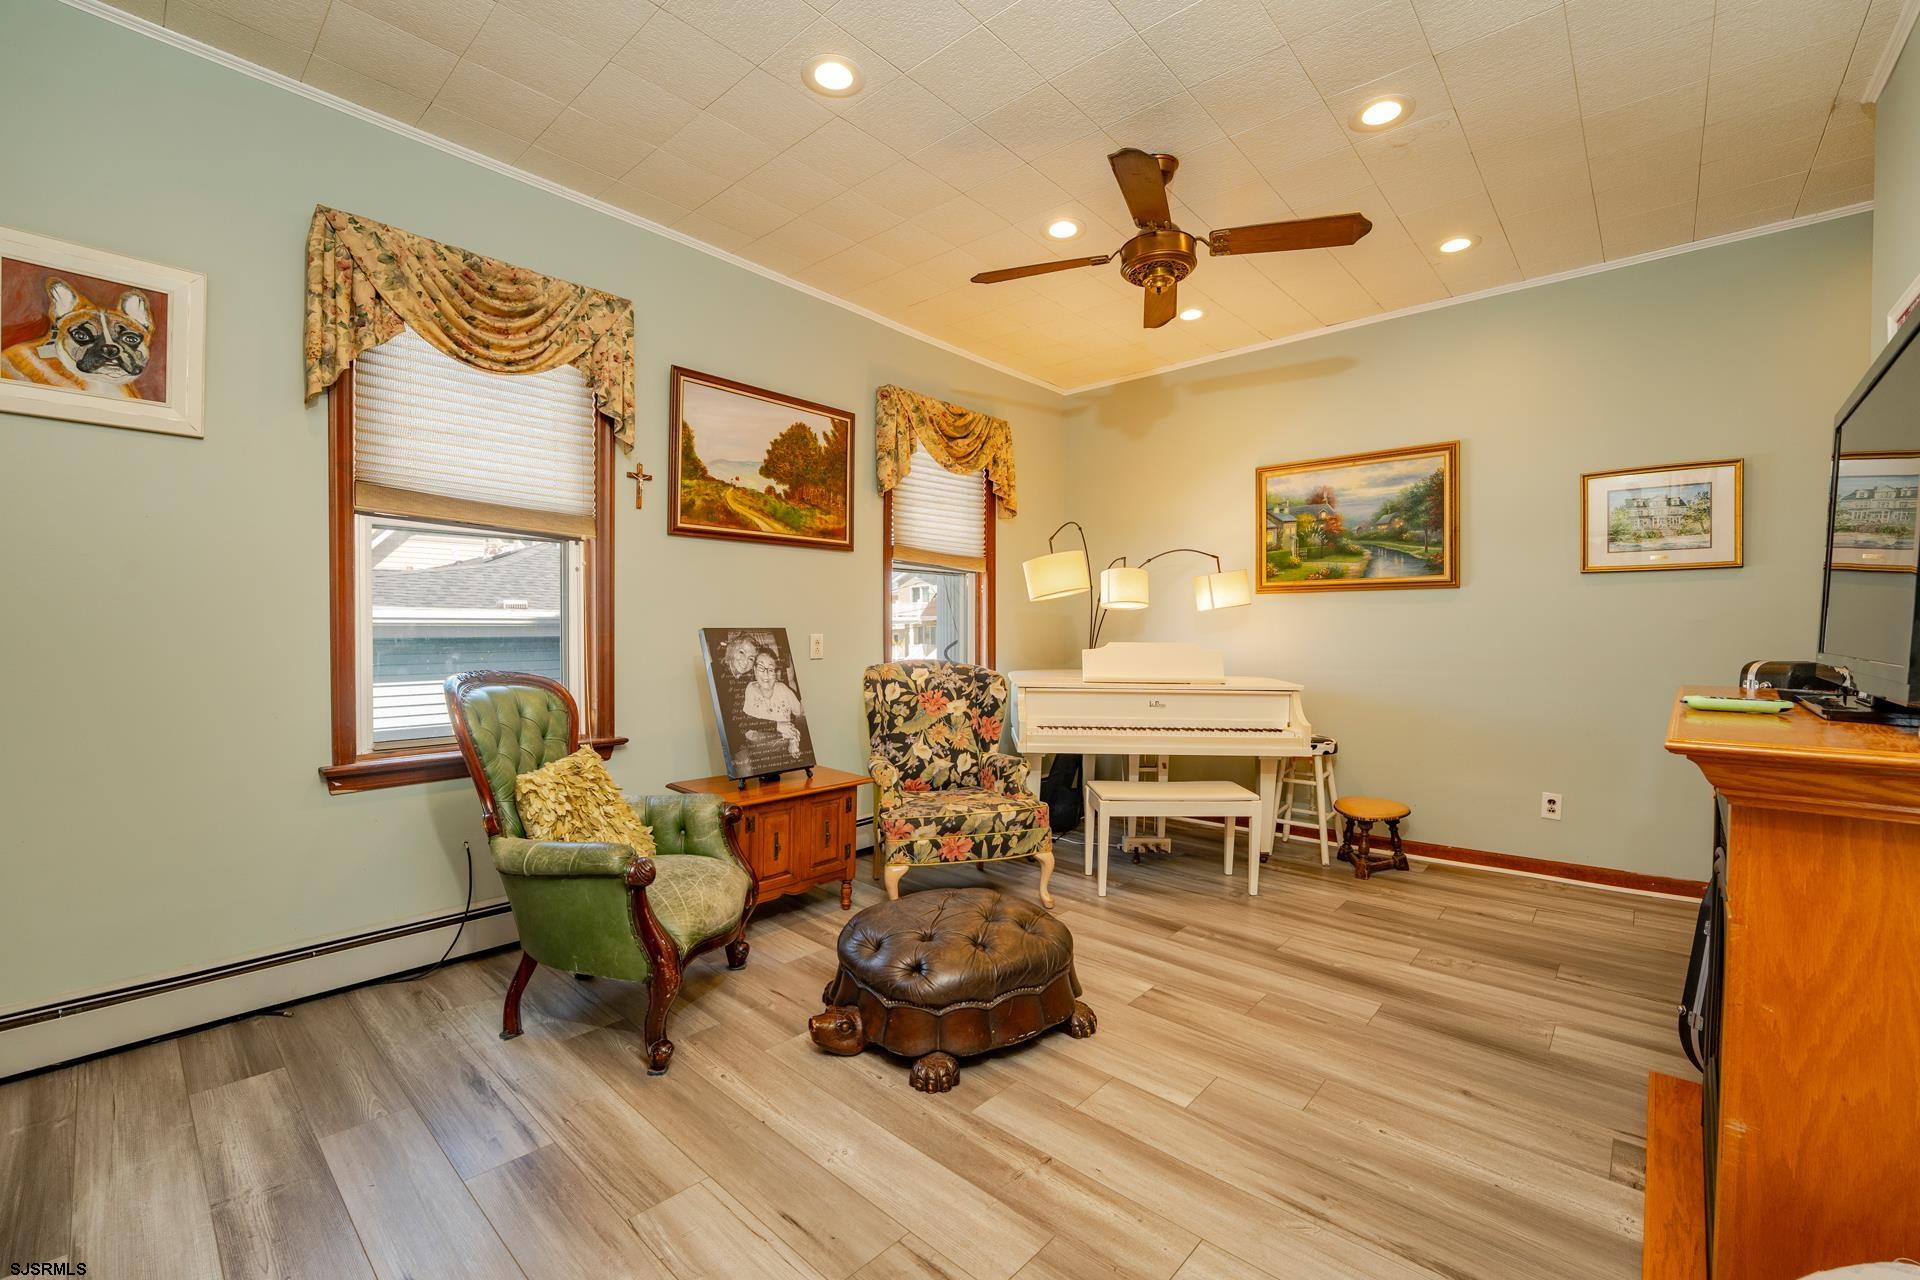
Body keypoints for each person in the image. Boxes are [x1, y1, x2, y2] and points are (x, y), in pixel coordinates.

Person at [742, 651, 805, 758]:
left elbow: (801, 712)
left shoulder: (783, 688)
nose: (766, 674)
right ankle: (791, 738)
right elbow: (748, 723)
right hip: (760, 738)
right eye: (761, 668)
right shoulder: (750, 689)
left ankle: (793, 739)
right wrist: (779, 727)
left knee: (794, 727)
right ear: (755, 670)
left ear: (775, 673)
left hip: (786, 734)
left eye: (770, 669)